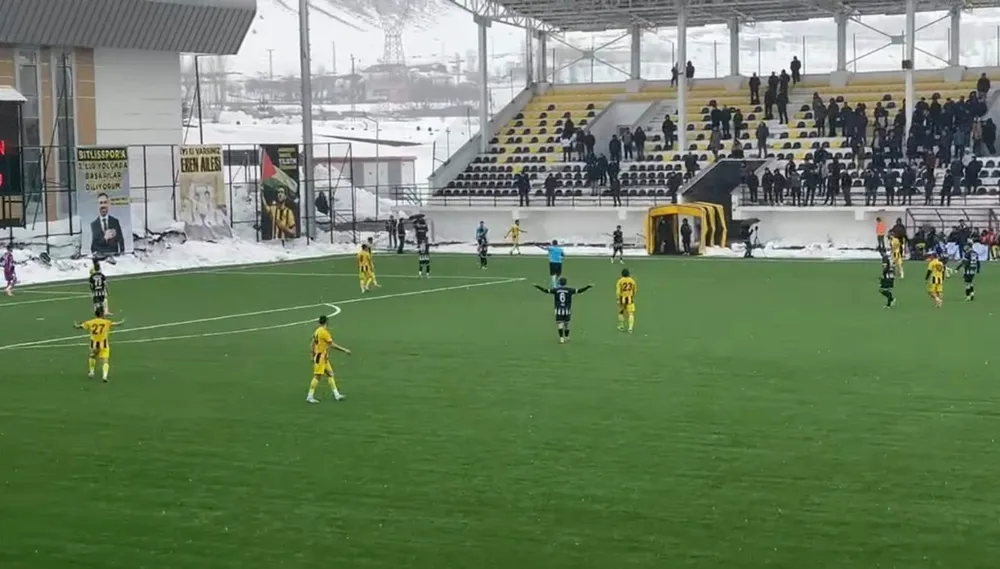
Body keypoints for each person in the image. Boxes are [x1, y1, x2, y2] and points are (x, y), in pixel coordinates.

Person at [306, 314, 351, 404]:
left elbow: (312, 343)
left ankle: (336, 395)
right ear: (327, 322)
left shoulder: (317, 331)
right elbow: (332, 344)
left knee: (330, 374)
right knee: (317, 376)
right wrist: (344, 350)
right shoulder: (324, 332)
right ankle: (310, 396)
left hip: (322, 357)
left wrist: (312, 354)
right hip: (321, 357)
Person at [533, 277, 593, 344]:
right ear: (566, 283)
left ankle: (561, 338)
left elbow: (546, 291)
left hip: (559, 310)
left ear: (559, 283)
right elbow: (579, 291)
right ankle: (567, 337)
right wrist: (588, 286)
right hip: (567, 310)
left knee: (560, 324)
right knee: (567, 324)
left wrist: (537, 286)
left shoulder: (556, 290)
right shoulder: (569, 290)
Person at [74, 307, 124, 382]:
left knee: (92, 356)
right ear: (102, 314)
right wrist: (121, 322)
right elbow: (115, 324)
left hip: (94, 343)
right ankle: (104, 376)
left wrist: (76, 325)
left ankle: (91, 372)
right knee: (105, 360)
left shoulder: (90, 322)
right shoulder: (106, 322)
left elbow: (80, 326)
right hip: (104, 343)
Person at [615, 268, 637, 333]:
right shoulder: (632, 281)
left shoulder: (620, 281)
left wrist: (618, 299)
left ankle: (621, 326)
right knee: (631, 313)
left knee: (621, 312)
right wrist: (632, 296)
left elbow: (618, 291)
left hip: (622, 299)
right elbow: (635, 290)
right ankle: (630, 328)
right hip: (630, 298)